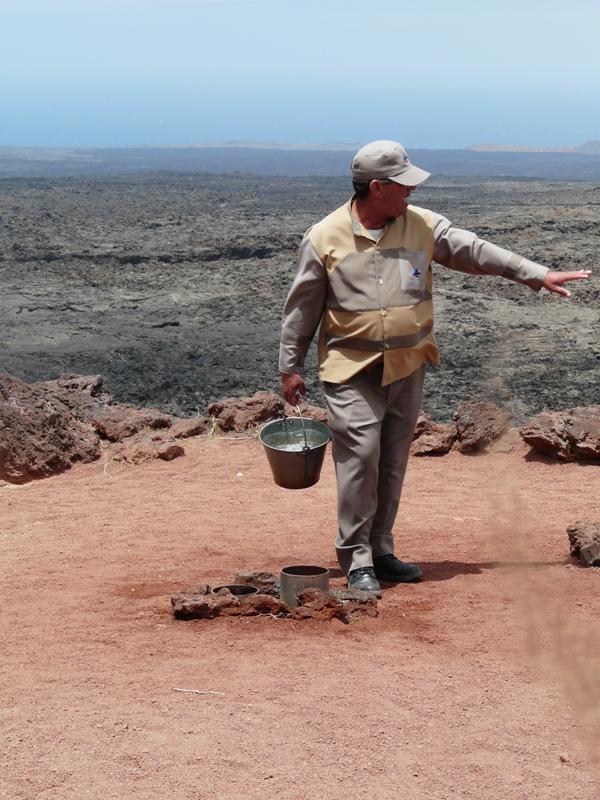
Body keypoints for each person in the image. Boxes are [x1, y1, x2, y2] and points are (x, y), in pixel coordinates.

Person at [278, 140, 591, 597]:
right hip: (351, 369)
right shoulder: (324, 237)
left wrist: (535, 273)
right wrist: (290, 366)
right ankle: (357, 557)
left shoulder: (422, 225)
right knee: (360, 459)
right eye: (403, 184)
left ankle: (381, 550)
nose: (412, 191)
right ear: (377, 188)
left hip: (407, 364)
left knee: (392, 462)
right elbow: (302, 307)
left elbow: (474, 250)